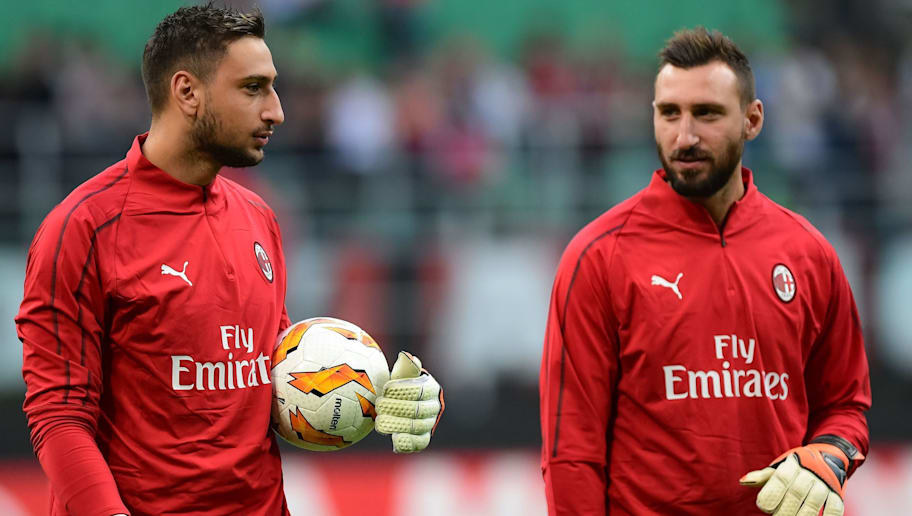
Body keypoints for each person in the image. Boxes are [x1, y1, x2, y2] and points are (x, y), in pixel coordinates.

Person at [16, 5, 442, 516]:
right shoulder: (83, 229)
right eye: (253, 88)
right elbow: (59, 416)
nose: (276, 111)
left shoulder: (260, 216)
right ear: (187, 92)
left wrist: (375, 395)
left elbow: (270, 381)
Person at [539, 27, 870, 515]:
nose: (685, 136)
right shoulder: (598, 257)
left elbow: (846, 406)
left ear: (752, 120)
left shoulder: (809, 254)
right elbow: (572, 452)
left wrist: (830, 453)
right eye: (669, 113)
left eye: (707, 114)